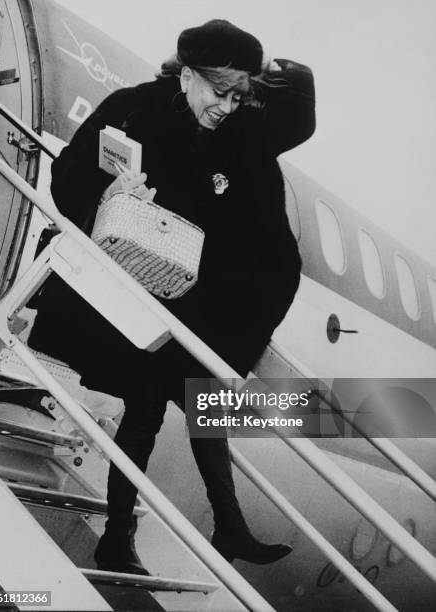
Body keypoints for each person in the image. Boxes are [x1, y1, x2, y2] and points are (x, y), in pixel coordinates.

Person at [28, 19, 315, 574]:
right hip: (129, 291)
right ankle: (121, 535)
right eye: (218, 91)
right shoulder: (134, 110)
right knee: (148, 403)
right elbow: (68, 181)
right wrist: (108, 189)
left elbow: (289, 125)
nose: (228, 106)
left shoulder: (233, 132)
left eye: (239, 96)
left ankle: (224, 526)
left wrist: (296, 79)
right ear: (187, 74)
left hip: (186, 297)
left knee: (202, 398)